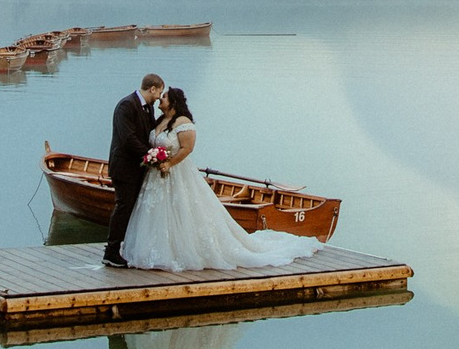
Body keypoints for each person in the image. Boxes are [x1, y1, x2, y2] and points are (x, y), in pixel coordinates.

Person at [121, 87, 325, 273]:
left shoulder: (183, 122)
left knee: (181, 209)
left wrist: (169, 163)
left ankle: (182, 250)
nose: (160, 99)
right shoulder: (159, 120)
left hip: (176, 173)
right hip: (155, 177)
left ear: (173, 101)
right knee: (156, 212)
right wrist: (155, 159)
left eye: (164, 96)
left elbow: (187, 148)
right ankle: (156, 249)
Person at [102, 73, 165, 269]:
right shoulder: (126, 105)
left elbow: (149, 131)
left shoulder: (148, 108)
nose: (159, 97)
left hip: (138, 168)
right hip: (124, 167)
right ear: (152, 88)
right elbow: (128, 138)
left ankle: (124, 248)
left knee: (131, 208)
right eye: (159, 92)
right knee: (123, 207)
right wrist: (150, 154)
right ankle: (111, 252)